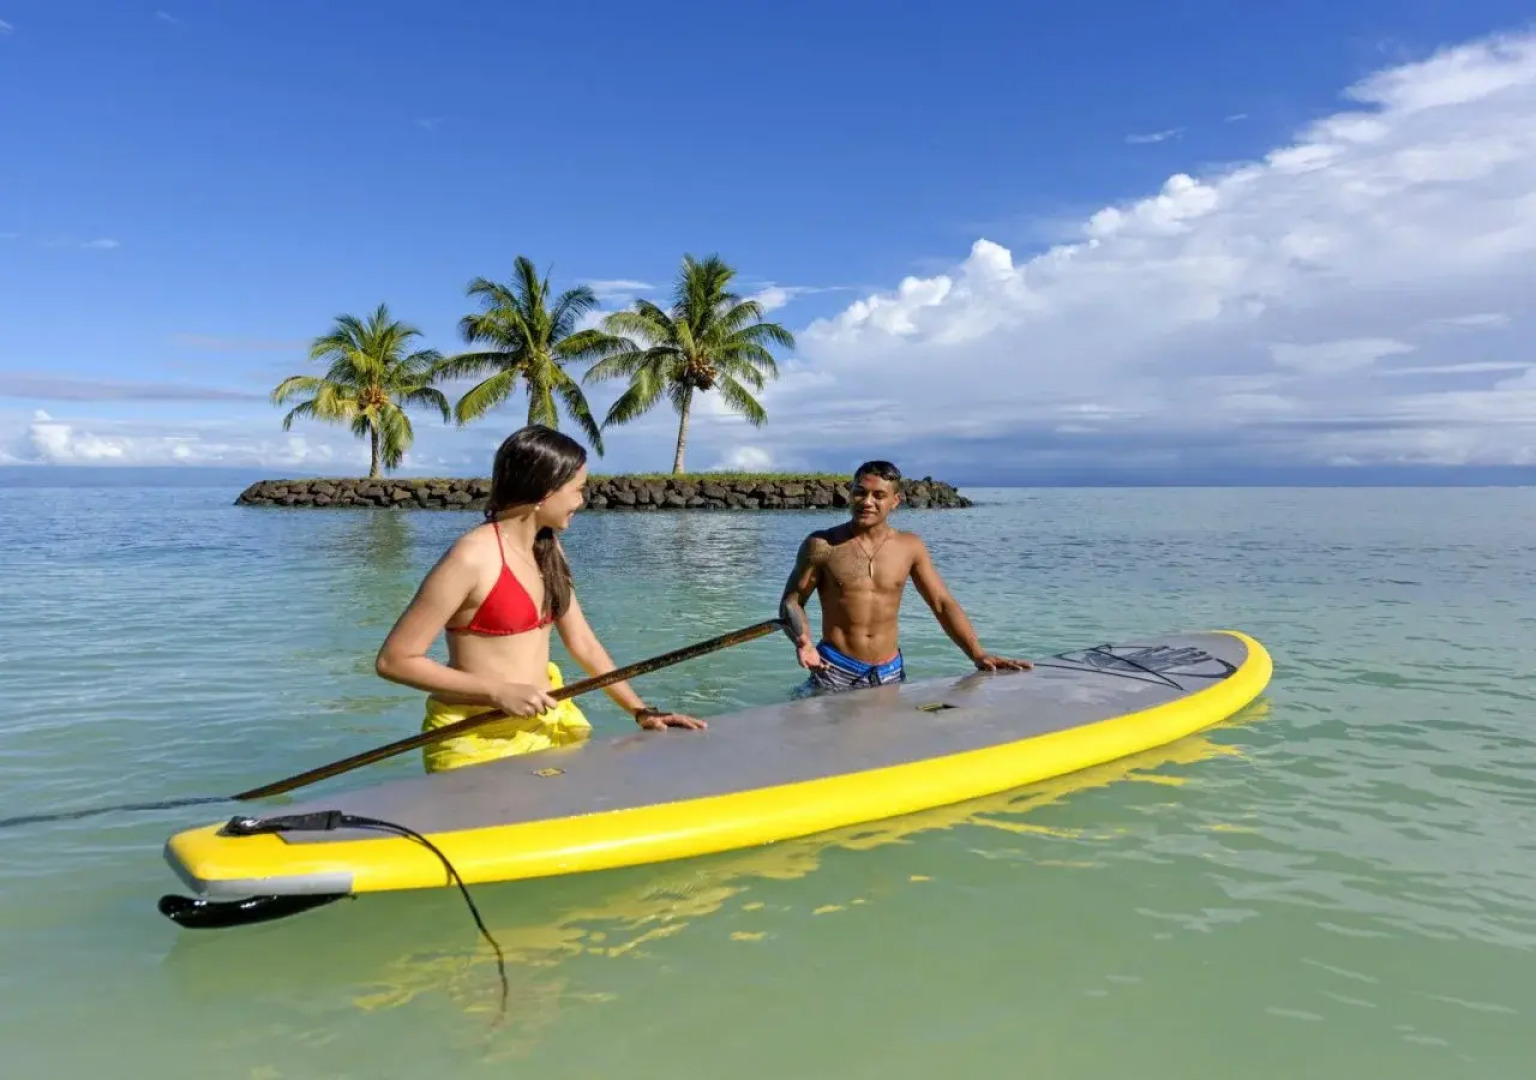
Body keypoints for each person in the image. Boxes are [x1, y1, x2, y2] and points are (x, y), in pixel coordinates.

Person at [375, 424, 703, 772]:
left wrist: (640, 711)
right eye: (577, 490)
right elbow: (395, 660)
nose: (581, 501)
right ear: (544, 491)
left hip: (548, 725)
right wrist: (496, 691)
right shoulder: (471, 557)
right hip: (475, 738)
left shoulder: (549, 549)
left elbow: (584, 644)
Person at [778, 460, 1032, 693]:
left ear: (895, 501)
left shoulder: (910, 546)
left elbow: (942, 603)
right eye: (860, 492)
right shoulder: (823, 544)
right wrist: (804, 642)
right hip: (833, 669)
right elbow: (792, 602)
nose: (867, 501)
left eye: (878, 495)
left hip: (890, 672)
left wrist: (977, 654)